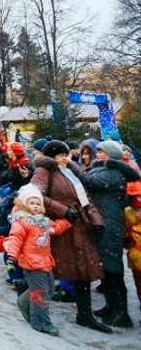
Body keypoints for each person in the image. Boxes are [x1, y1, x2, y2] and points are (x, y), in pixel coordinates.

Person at [31, 139, 111, 333]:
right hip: (62, 229)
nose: (65, 158)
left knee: (83, 272)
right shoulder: (44, 172)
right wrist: (63, 210)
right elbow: (35, 197)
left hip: (81, 227)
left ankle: (85, 315)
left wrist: (97, 221)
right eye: (60, 155)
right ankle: (34, 309)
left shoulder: (71, 173)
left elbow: (85, 199)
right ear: (52, 156)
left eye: (66, 154)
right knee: (46, 274)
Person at [81, 140, 140, 328]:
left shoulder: (115, 172)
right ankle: (111, 305)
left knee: (113, 268)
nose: (97, 154)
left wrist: (71, 166)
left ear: (111, 154)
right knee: (106, 267)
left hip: (111, 223)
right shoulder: (104, 169)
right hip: (104, 220)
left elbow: (88, 180)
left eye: (100, 152)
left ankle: (121, 313)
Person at [4, 183, 72, 336]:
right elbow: (15, 240)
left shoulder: (43, 221)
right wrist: (11, 258)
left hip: (45, 261)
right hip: (31, 263)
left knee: (49, 289)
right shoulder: (21, 222)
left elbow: (55, 228)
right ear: (24, 204)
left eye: (37, 203)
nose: (35, 206)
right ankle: (40, 322)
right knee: (41, 293)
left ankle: (23, 301)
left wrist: (69, 221)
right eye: (31, 203)